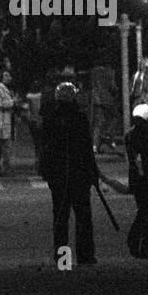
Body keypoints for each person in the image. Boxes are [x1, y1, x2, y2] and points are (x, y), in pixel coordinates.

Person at [40, 81, 98, 265]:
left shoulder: (51, 118)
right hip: (78, 174)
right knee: (83, 217)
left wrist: (47, 172)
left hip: (59, 176)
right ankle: (85, 256)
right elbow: (86, 149)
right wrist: (92, 172)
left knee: (61, 218)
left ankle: (63, 258)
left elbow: (45, 149)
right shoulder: (79, 119)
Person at [125, 103, 148, 259]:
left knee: (145, 211)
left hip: (137, 179)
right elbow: (143, 160)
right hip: (145, 178)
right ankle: (143, 245)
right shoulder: (144, 135)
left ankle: (137, 242)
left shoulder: (131, 134)